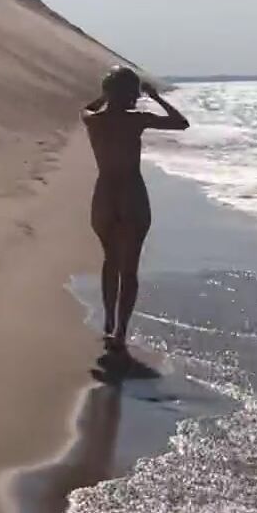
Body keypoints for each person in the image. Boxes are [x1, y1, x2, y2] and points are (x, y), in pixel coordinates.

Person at [81, 67, 189, 351]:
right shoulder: (137, 119)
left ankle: (108, 318)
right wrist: (156, 98)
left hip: (105, 194)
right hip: (132, 193)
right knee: (129, 268)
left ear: (108, 91)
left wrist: (104, 96)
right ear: (132, 93)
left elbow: (86, 108)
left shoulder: (94, 120)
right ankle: (121, 330)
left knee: (110, 260)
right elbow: (181, 123)